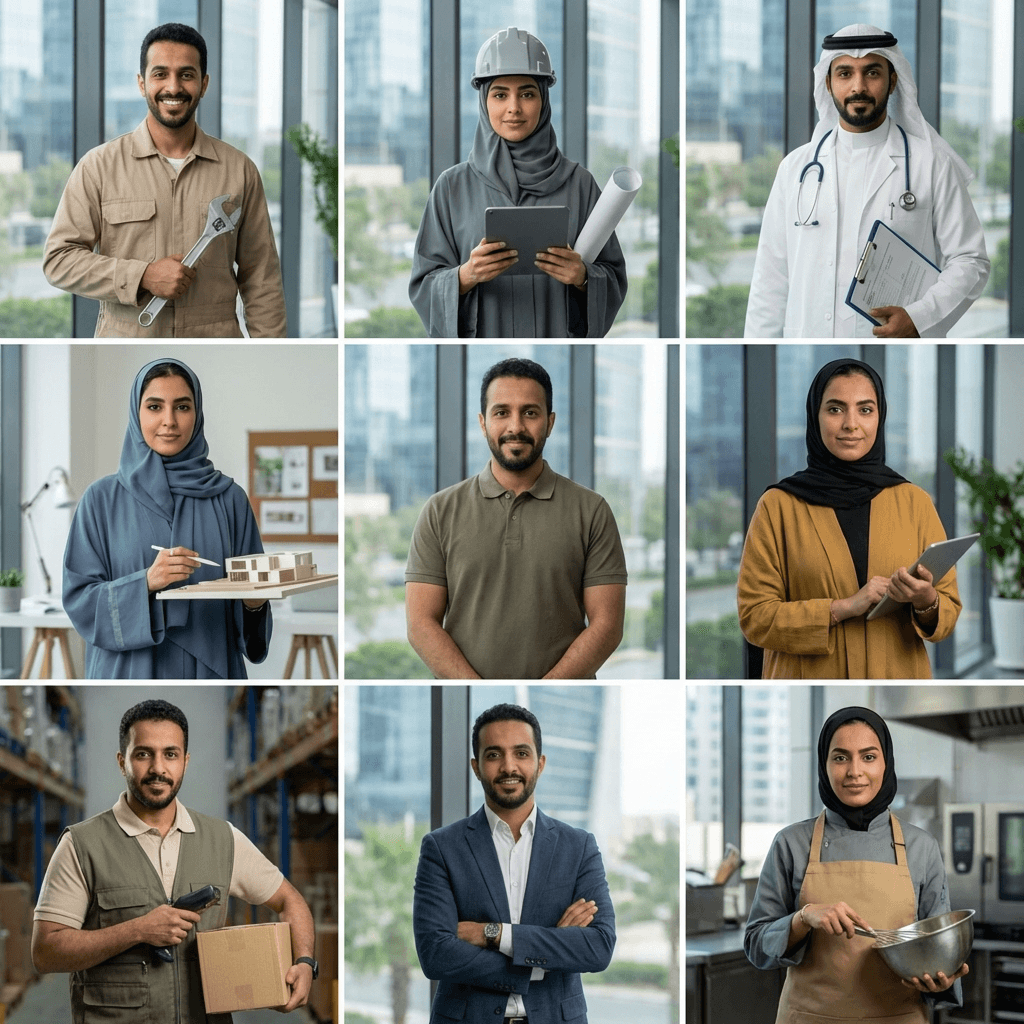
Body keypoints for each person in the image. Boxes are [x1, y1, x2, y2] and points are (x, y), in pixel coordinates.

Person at [31, 699, 318, 1021]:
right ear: (122, 762)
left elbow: (290, 901)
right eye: (143, 754)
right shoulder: (82, 844)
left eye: (170, 754)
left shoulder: (223, 839)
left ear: (185, 761)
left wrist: (305, 962)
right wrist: (137, 930)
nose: (158, 768)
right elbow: (45, 953)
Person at [744, 24, 989, 338]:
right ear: (828, 84)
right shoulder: (795, 169)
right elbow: (770, 279)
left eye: (872, 73)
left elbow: (970, 260)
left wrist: (918, 317)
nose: (858, 87)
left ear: (893, 81)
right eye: (844, 74)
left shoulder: (932, 164)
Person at [43, 23, 286, 337]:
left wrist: (270, 352)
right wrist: (142, 276)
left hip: (215, 346)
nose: (173, 87)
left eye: (186, 74)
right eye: (160, 74)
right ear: (142, 83)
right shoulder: (98, 167)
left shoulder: (240, 170)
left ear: (204, 84)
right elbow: (59, 261)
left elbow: (262, 281)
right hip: (127, 346)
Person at [737, 358, 960, 678]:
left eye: (865, 410)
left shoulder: (915, 503)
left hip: (894, 680)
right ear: (815, 416)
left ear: (880, 417)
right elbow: (754, 617)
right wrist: (841, 608)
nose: (851, 424)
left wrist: (927, 600)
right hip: (808, 681)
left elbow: (948, 611)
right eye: (835, 409)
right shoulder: (778, 507)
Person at [405, 358, 627, 678]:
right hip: (464, 692)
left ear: (550, 422)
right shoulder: (439, 511)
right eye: (501, 412)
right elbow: (420, 624)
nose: (516, 427)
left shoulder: (592, 511)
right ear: (483, 423)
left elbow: (607, 626)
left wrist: (544, 689)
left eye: (530, 413)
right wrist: (476, 689)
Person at [745, 706, 968, 1022]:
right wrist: (803, 918)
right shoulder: (790, 843)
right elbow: (756, 944)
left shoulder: (922, 847)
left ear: (886, 763)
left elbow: (938, 946)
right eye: (840, 757)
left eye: (868, 757)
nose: (854, 771)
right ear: (824, 765)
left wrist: (940, 979)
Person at [409, 26, 628, 337]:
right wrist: (466, 275)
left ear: (544, 100)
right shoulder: (451, 188)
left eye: (527, 94)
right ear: (484, 102)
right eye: (500, 94)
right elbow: (423, 285)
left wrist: (583, 276)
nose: (514, 107)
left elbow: (613, 277)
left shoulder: (580, 184)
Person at [63, 358, 272, 678]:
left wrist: (253, 605)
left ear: (197, 414)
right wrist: (146, 582)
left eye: (182, 407)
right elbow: (80, 601)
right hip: (126, 672)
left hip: (210, 673)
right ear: (136, 413)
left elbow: (251, 602)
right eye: (155, 407)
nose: (169, 421)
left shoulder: (230, 499)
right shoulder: (101, 500)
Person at [413, 703, 615, 1024]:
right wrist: (544, 956)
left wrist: (493, 934)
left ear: (540, 763)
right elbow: (436, 954)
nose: (509, 767)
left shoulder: (578, 847)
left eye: (521, 753)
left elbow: (598, 947)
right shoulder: (441, 848)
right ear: (476, 767)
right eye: (494, 755)